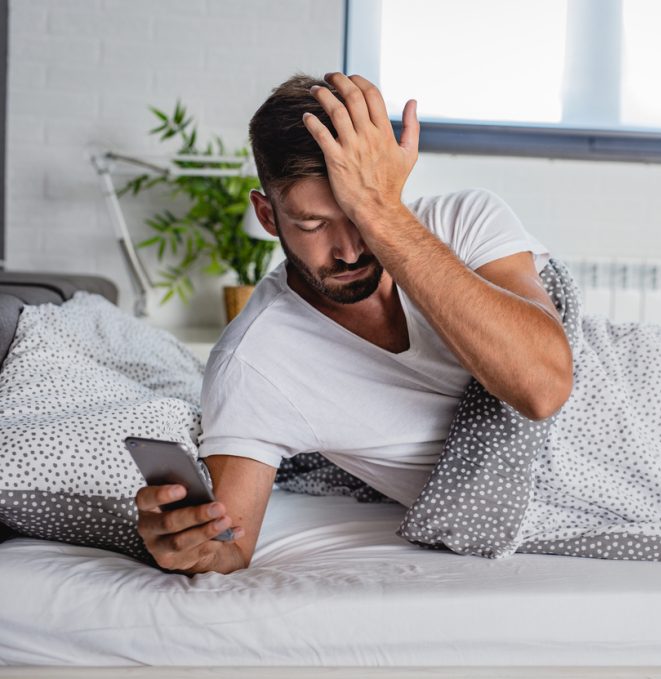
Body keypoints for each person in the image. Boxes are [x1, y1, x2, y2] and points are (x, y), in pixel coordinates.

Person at [134, 72, 574, 575]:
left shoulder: (463, 221)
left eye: (358, 215)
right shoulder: (255, 360)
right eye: (313, 224)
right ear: (268, 216)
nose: (348, 251)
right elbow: (227, 546)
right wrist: (184, 545)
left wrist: (383, 214)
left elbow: (543, 385)